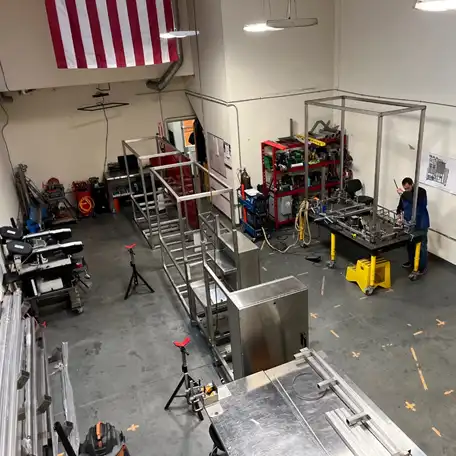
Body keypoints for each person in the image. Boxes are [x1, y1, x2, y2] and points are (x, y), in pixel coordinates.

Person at [396, 177, 430, 274]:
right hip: (409, 224)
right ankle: (411, 262)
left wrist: (404, 193)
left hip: (421, 223)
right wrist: (399, 215)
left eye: (408, 188)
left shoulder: (421, 192)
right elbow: (400, 206)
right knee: (410, 244)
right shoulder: (405, 194)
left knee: (421, 246)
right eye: (405, 188)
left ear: (412, 185)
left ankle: (421, 268)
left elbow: (419, 204)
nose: (406, 190)